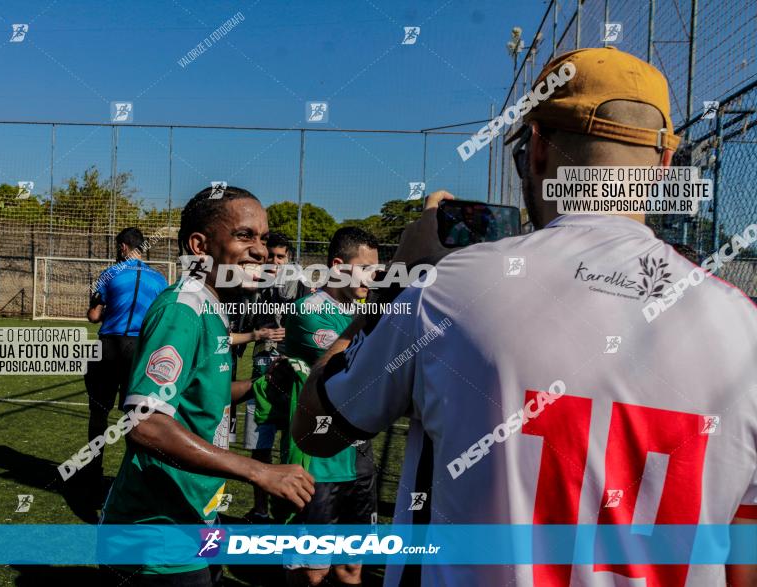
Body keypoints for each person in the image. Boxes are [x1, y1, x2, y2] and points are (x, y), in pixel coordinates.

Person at [293, 47, 757, 586]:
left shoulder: (451, 288)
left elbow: (316, 429)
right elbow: (742, 559)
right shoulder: (744, 327)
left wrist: (402, 277)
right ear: (663, 166)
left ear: (536, 151)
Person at [100, 186, 315, 586]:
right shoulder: (183, 308)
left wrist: (262, 383)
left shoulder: (213, 305)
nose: (261, 251)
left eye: (264, 239)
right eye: (245, 235)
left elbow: (203, 398)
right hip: (154, 539)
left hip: (194, 519)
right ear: (200, 245)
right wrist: (258, 471)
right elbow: (144, 422)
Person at [284, 227, 380, 587]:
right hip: (318, 465)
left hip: (359, 461)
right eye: (365, 268)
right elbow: (347, 368)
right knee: (311, 571)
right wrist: (375, 318)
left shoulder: (361, 312)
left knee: (351, 567)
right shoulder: (310, 311)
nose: (372, 277)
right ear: (338, 266)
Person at [83, 227, 167, 507]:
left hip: (108, 346)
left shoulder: (109, 274)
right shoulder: (159, 279)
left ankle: (93, 472)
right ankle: (132, 477)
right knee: (136, 415)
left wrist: (107, 307)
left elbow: (94, 316)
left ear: (122, 247)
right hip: (140, 350)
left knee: (98, 412)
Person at [239, 232, 309, 523]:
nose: (275, 263)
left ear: (289, 259)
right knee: (260, 445)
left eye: (281, 257)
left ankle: (292, 512)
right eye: (270, 257)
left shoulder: (302, 284)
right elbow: (239, 324)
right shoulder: (251, 286)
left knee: (294, 446)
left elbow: (311, 326)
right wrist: (259, 333)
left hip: (293, 372)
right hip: (262, 369)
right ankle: (260, 510)